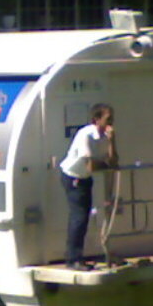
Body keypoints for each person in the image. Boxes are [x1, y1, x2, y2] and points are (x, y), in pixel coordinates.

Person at [59, 103, 118, 271]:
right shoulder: (85, 135)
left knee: (83, 218)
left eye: (112, 119)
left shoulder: (106, 136)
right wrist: (105, 164)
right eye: (108, 119)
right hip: (73, 177)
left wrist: (112, 141)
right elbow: (90, 166)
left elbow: (114, 162)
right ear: (96, 120)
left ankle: (77, 257)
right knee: (79, 218)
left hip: (85, 178)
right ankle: (73, 259)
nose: (111, 123)